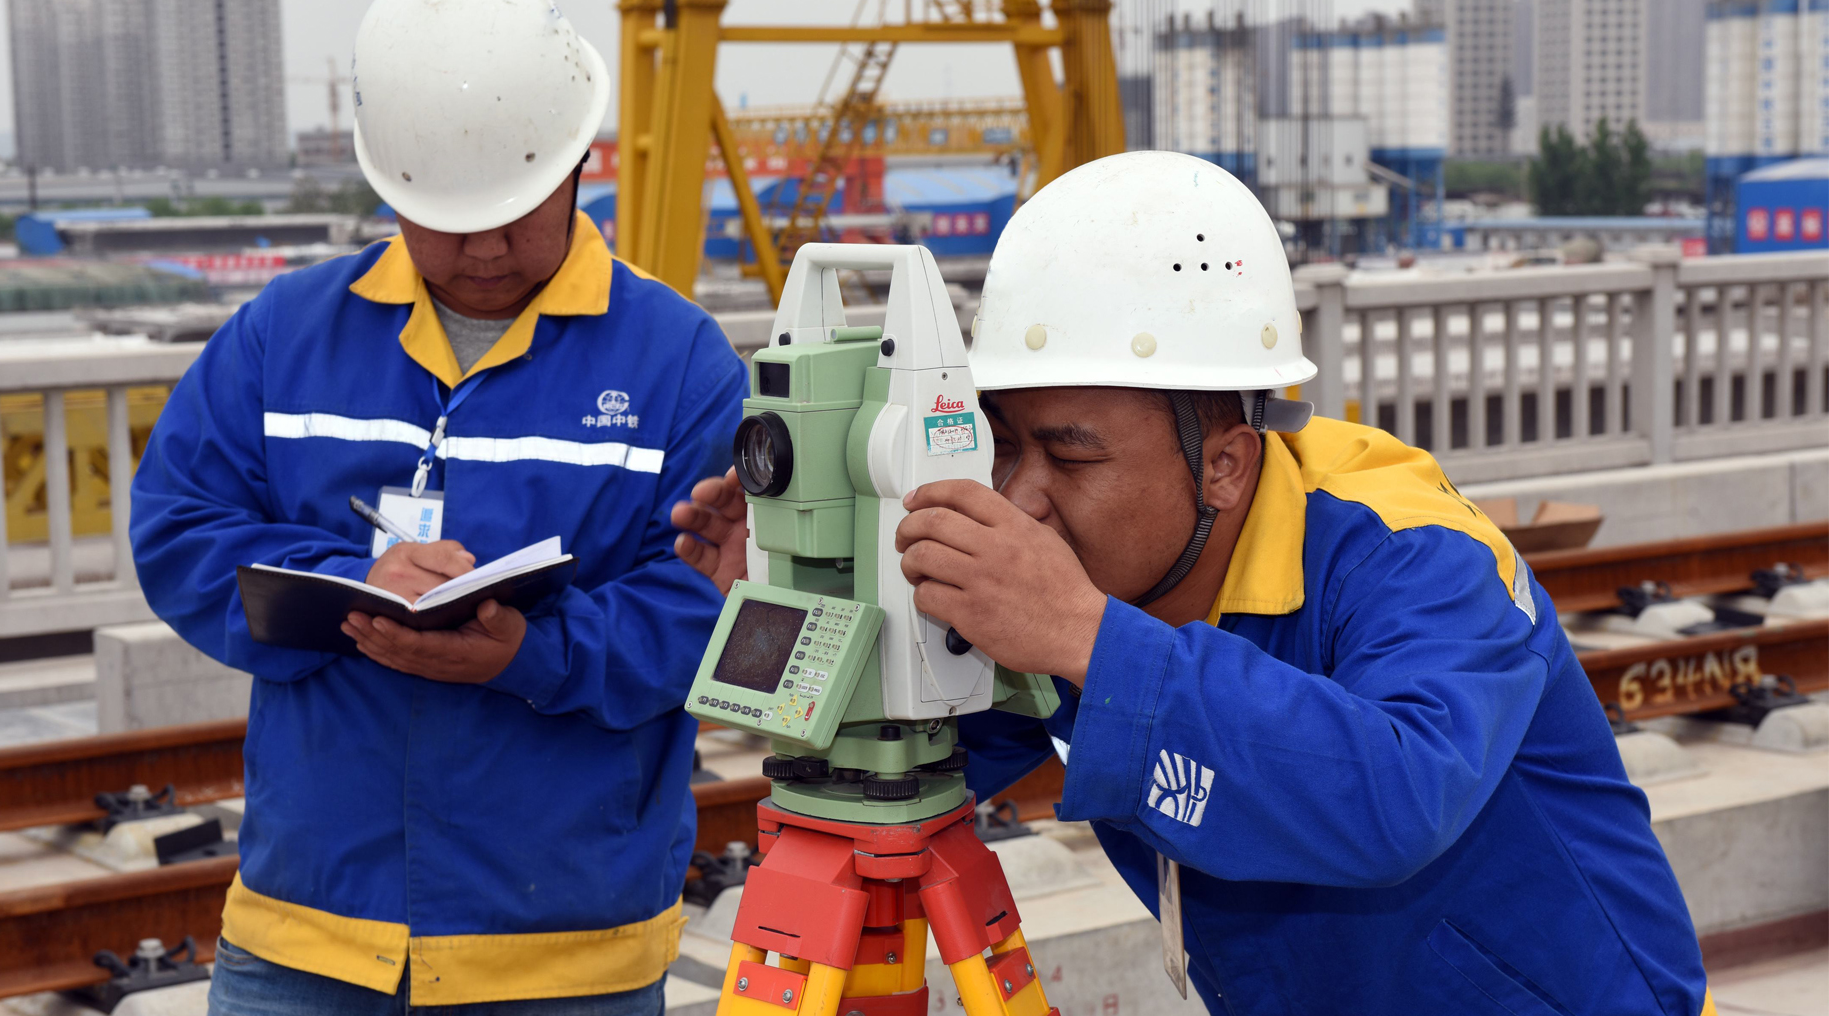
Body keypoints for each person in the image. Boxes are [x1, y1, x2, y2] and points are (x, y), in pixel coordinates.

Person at [672, 152, 1712, 1015]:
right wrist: (814, 587)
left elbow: (1401, 795)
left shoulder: (1411, 549)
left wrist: (1086, 638)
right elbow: (934, 756)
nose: (1022, 498)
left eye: (1070, 458)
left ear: (1225, 461)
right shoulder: (1088, 576)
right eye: (1002, 446)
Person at [133, 0, 745, 1014]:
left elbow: (710, 609)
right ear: (390, 188)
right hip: (307, 938)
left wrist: (530, 653)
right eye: (448, 217)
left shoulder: (679, 363)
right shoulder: (283, 337)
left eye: (514, 209)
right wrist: (351, 579)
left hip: (570, 957)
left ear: (576, 166)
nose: (487, 248)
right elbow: (179, 529)